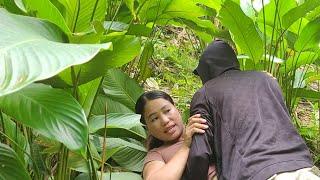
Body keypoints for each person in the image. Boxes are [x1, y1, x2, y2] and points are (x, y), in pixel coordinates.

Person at [182, 40, 319, 180]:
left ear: (206, 69)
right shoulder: (267, 79)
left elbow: (199, 153)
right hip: (302, 167)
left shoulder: (204, 93)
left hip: (254, 172)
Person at [135, 90, 217, 180]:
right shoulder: (156, 154)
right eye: (154, 118)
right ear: (147, 127)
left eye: (167, 111)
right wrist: (185, 146)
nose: (165, 120)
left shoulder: (202, 126)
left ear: (177, 109)